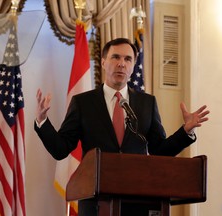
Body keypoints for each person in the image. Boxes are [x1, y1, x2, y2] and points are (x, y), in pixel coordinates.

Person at [34, 38, 210, 216]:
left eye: (128, 59)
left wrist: (186, 131)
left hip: (137, 199)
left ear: (133, 66)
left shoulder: (146, 103)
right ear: (103, 62)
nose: (121, 64)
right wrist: (42, 121)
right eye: (115, 57)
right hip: (95, 201)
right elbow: (61, 149)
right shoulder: (83, 102)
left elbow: (160, 151)